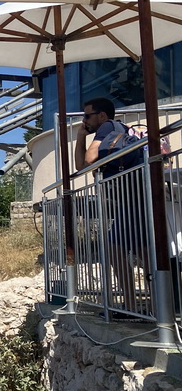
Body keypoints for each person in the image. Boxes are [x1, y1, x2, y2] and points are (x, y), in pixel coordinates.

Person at [75, 97, 146, 313]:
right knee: (144, 252)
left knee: (115, 249)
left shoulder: (106, 127)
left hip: (131, 197)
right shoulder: (120, 129)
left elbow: (86, 162)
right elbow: (83, 166)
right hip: (135, 195)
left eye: (87, 116)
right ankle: (162, 304)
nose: (84, 121)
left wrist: (80, 137)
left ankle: (133, 307)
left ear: (102, 115)